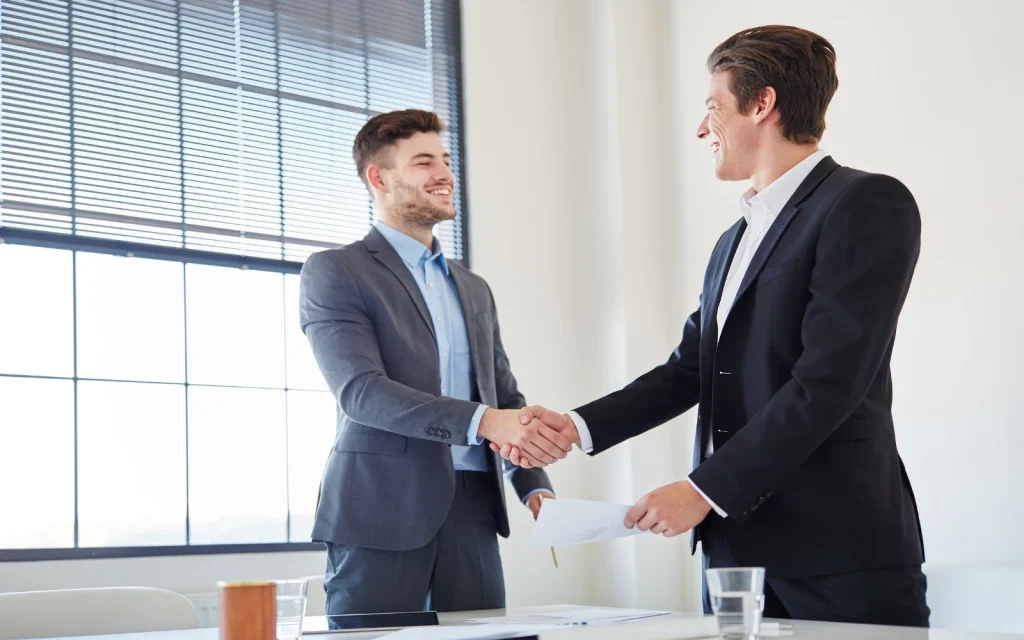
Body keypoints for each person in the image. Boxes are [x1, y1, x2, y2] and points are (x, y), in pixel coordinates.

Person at [500, 25, 928, 626]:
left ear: (762, 104)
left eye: (712, 108)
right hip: (735, 554)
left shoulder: (865, 204)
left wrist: (702, 490)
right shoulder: (733, 240)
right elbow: (691, 368)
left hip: (840, 552)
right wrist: (575, 427)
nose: (703, 129)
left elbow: (829, 381)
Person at [299, 109, 572, 614]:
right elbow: (361, 392)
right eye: (424, 161)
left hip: (473, 506)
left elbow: (504, 397)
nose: (445, 172)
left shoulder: (473, 287)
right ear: (378, 178)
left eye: (445, 159)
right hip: (380, 506)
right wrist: (489, 421)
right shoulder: (336, 271)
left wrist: (535, 486)